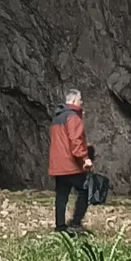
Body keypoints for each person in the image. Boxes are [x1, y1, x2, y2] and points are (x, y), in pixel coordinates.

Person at [48, 88, 93, 234]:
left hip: (58, 165)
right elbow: (76, 140)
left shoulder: (57, 117)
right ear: (74, 101)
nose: (81, 103)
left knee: (61, 195)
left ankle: (60, 227)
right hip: (71, 165)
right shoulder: (73, 117)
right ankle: (75, 223)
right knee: (85, 191)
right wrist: (85, 158)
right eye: (80, 101)